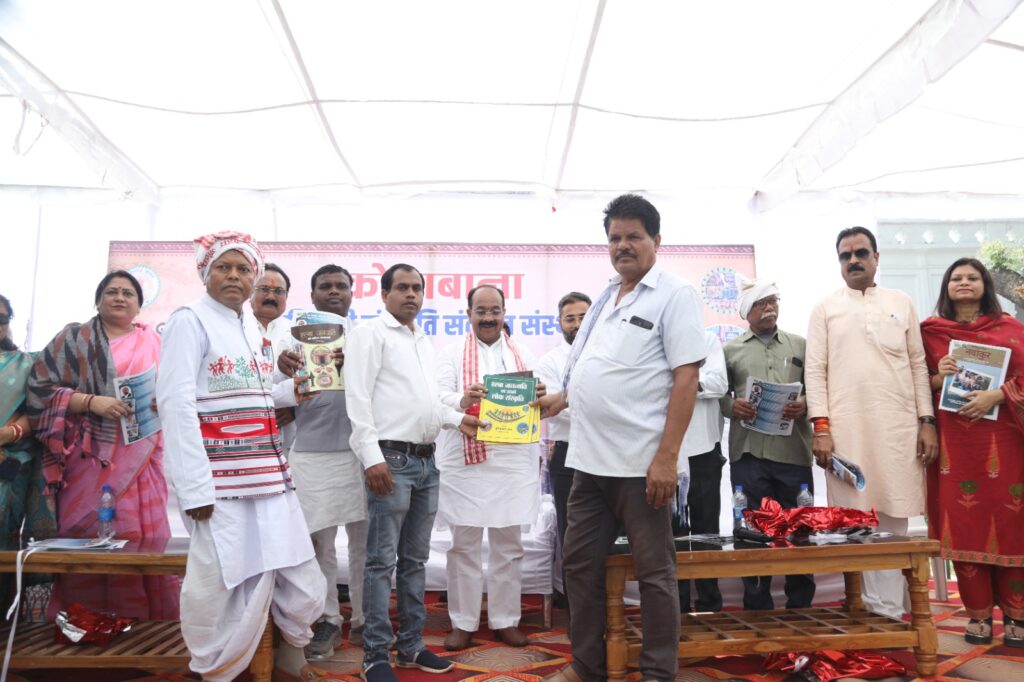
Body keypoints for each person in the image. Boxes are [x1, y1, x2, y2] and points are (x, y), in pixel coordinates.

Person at [538, 194, 705, 682]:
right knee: (578, 567)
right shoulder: (607, 295)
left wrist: (666, 458)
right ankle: (586, 666)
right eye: (614, 238)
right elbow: (596, 366)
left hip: (641, 466)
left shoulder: (675, 294)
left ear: (657, 240)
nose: (622, 246)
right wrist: (561, 399)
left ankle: (658, 673)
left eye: (634, 236)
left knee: (655, 575)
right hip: (587, 462)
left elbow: (686, 378)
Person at [156, 231, 326, 682]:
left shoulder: (249, 326)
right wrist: (194, 489)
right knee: (220, 585)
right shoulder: (189, 320)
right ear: (205, 273)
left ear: (254, 276)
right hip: (220, 486)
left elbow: (257, 395)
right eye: (224, 267)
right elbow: (175, 404)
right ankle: (215, 669)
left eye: (243, 268)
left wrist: (293, 392)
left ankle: (287, 656)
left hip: (269, 477)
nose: (234, 276)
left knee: (297, 571)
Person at [344, 263, 480, 682]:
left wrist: (458, 418)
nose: (411, 295)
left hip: (425, 462)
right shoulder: (370, 333)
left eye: (417, 288)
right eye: (401, 288)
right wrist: (371, 458)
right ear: (384, 294)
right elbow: (357, 398)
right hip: (390, 460)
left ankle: (411, 647)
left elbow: (427, 402)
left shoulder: (422, 339)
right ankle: (375, 656)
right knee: (380, 562)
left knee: (415, 561)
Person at [26, 271, 178, 620]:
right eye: (111, 292)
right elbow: (38, 389)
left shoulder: (156, 343)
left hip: (142, 455)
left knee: (139, 535)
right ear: (98, 300)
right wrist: (90, 402)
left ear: (139, 306)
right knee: (84, 532)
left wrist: (164, 401)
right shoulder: (73, 339)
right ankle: (82, 620)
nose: (120, 297)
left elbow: (178, 389)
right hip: (86, 457)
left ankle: (144, 622)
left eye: (128, 293)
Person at [805, 226, 937, 619]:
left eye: (861, 253)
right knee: (855, 518)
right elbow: (815, 370)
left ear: (877, 258)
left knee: (895, 515)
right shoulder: (825, 308)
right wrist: (821, 428)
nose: (853, 261)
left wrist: (926, 421)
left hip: (897, 428)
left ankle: (891, 610)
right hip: (846, 432)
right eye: (845, 256)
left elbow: (918, 365)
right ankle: (869, 609)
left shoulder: (901, 302)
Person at [920, 257, 1024, 647]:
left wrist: (997, 395)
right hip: (955, 447)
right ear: (946, 286)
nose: (964, 282)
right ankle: (978, 615)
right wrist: (938, 377)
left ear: (985, 285)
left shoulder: (1012, 330)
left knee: (1013, 523)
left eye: (972, 277)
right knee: (964, 525)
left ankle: (1017, 614)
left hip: (1005, 442)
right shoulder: (930, 332)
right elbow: (911, 382)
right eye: (956, 278)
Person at [437, 284, 544, 650]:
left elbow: (537, 401)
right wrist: (463, 398)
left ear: (504, 314)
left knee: (509, 545)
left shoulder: (523, 354)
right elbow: (437, 397)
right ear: (468, 314)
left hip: (512, 462)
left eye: (494, 310)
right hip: (466, 461)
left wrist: (539, 394)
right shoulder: (451, 354)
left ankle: (505, 620)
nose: (488, 317)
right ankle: (463, 622)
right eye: (480, 311)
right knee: (463, 545)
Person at [275, 263, 370, 655]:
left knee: (366, 544)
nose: (334, 291)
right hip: (311, 453)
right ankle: (328, 619)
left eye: (341, 286)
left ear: (351, 293)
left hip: (361, 452)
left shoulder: (366, 336)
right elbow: (272, 393)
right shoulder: (290, 341)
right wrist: (282, 373)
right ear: (312, 296)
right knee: (320, 547)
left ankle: (365, 619)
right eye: (325, 286)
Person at [722, 279, 815, 610]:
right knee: (752, 531)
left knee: (799, 530)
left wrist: (805, 404)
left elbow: (818, 386)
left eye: (774, 301)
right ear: (747, 311)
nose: (770, 308)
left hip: (794, 452)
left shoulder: (800, 345)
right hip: (749, 453)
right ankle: (758, 609)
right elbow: (717, 394)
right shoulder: (730, 350)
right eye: (762, 303)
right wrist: (731, 406)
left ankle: (800, 607)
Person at [0, 294, 57, 601]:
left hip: (7, 467)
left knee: (4, 548)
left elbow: (40, 408)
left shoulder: (27, 364)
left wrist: (9, 433)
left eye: (1, 318)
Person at [536, 291, 591, 606]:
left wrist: (569, 401)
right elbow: (552, 409)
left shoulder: (608, 355)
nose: (577, 324)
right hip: (567, 454)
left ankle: (607, 598)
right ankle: (574, 602)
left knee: (606, 532)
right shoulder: (549, 361)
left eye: (583, 317)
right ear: (559, 323)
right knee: (570, 533)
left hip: (607, 453)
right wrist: (593, 404)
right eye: (570, 318)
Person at [676, 329, 727, 613]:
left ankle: (709, 604)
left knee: (706, 530)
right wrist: (693, 380)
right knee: (674, 533)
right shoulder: (654, 341)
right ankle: (677, 606)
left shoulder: (706, 340)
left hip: (703, 450)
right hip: (666, 452)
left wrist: (683, 382)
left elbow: (719, 383)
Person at [251, 263, 298, 451]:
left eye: (278, 291)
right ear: (250, 292)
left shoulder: (299, 333)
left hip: (290, 442)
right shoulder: (233, 331)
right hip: (243, 437)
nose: (271, 297)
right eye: (263, 289)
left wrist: (295, 410)